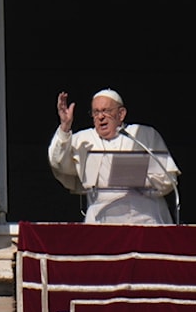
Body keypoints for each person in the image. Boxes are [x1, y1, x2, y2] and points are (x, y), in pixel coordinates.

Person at [48, 89, 180, 224]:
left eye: (106, 111)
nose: (100, 117)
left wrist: (139, 179)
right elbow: (58, 163)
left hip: (145, 217)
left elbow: (168, 180)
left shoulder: (144, 135)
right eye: (96, 112)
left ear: (121, 114)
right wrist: (65, 127)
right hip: (102, 219)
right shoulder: (83, 139)